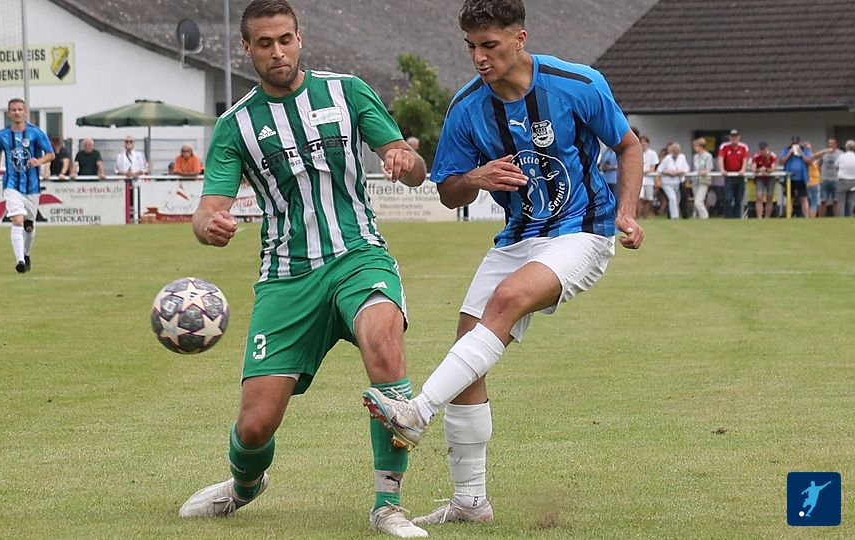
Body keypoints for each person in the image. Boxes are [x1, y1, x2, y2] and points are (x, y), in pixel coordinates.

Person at [362, 0, 644, 527]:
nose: (479, 57)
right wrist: (477, 178)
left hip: (583, 230)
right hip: (517, 237)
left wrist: (626, 212)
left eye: (489, 45)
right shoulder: (466, 107)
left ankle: (417, 412)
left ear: (520, 38)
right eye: (471, 46)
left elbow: (628, 146)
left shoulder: (578, 84)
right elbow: (448, 190)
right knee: (468, 352)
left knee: (507, 298)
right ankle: (471, 502)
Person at [180, 1, 428, 537]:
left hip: (358, 254)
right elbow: (207, 210)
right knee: (255, 426)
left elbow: (411, 167)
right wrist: (208, 225)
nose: (278, 52)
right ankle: (244, 484)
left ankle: (388, 504)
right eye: (265, 43)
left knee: (384, 343)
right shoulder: (235, 125)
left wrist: (405, 161)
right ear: (246, 49)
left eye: (285, 39)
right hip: (286, 276)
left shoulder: (347, 92)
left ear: (300, 38)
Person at [0, 98, 54, 273]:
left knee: (29, 225)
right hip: (11, 184)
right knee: (18, 220)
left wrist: (38, 161)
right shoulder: (2, 135)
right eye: (14, 110)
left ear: (25, 112)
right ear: (9, 113)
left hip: (32, 186)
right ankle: (19, 260)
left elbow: (51, 154)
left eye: (20, 109)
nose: (17, 112)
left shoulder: (36, 133)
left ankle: (26, 254)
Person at [717, 128, 749, 218]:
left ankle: (737, 217)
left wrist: (743, 169)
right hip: (729, 175)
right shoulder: (724, 146)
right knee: (728, 198)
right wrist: (722, 169)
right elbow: (721, 158)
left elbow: (745, 159)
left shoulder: (744, 147)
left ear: (739, 137)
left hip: (739, 176)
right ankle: (728, 217)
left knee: (738, 199)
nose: (734, 138)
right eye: (732, 137)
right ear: (730, 137)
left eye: (735, 136)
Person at [779, 135, 812, 217]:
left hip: (801, 178)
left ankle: (807, 216)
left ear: (799, 143)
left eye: (796, 143)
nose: (795, 145)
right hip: (789, 178)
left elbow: (809, 161)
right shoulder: (786, 150)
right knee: (789, 198)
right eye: (793, 143)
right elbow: (781, 162)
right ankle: (788, 215)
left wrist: (802, 154)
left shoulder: (805, 150)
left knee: (803, 198)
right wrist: (789, 153)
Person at [656, 142, 689, 219]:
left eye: (677, 150)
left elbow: (686, 168)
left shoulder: (682, 157)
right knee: (672, 198)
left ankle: (674, 215)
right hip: (667, 183)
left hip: (677, 183)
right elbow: (659, 169)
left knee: (677, 200)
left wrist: (680, 171)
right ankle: (674, 217)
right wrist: (668, 172)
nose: (676, 151)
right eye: (674, 150)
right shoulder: (667, 158)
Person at [815, 138, 841, 217]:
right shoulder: (824, 153)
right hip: (825, 179)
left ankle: (837, 218)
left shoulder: (840, 153)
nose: (830, 145)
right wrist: (820, 175)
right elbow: (817, 164)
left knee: (836, 201)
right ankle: (821, 218)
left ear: (836, 144)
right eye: (829, 144)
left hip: (836, 180)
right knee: (823, 201)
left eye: (832, 143)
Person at [751, 142, 778, 218]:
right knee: (759, 197)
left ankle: (767, 217)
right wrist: (759, 169)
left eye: (764, 149)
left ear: (767, 148)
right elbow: (753, 169)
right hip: (760, 179)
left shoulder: (772, 155)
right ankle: (759, 217)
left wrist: (766, 169)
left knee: (769, 198)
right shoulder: (756, 156)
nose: (762, 151)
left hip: (770, 178)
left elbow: (773, 168)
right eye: (761, 149)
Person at [691, 138, 713, 219]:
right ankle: (700, 218)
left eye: (695, 146)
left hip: (704, 180)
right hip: (695, 180)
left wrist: (703, 172)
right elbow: (695, 168)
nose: (694, 148)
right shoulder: (695, 156)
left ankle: (705, 217)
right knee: (697, 201)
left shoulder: (708, 156)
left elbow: (709, 168)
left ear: (701, 146)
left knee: (698, 202)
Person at [637, 134, 659, 219]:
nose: (643, 144)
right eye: (641, 142)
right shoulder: (637, 152)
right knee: (640, 199)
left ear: (648, 143)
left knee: (649, 199)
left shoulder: (652, 153)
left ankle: (645, 217)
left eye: (645, 142)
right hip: (639, 179)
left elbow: (653, 167)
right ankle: (638, 217)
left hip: (649, 180)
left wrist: (646, 171)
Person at [836, 139, 855, 217]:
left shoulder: (841, 156)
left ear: (846, 147)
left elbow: (836, 166)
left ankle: (841, 216)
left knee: (841, 201)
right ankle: (851, 216)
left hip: (843, 180)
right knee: (852, 200)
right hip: (853, 181)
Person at [804, 142, 820, 217]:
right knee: (814, 201)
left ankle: (809, 216)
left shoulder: (804, 158)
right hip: (813, 181)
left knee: (809, 200)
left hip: (811, 181)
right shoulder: (809, 160)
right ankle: (812, 217)